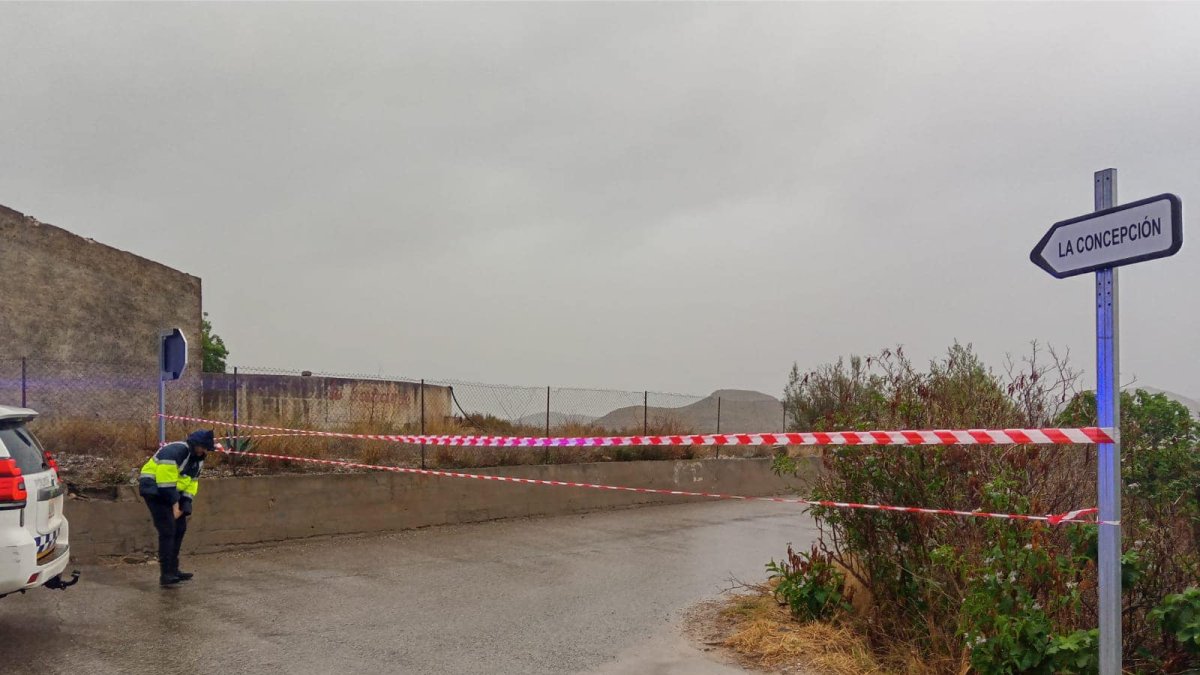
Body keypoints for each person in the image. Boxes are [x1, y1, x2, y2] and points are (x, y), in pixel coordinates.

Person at [138, 429, 213, 587]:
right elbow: (165, 483)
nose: (206, 451)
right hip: (154, 490)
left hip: (172, 492)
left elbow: (192, 483)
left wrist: (185, 504)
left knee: (180, 528)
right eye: (204, 448)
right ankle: (165, 575)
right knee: (167, 529)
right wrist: (174, 505)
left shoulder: (198, 459)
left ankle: (174, 570)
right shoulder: (175, 451)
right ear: (196, 445)